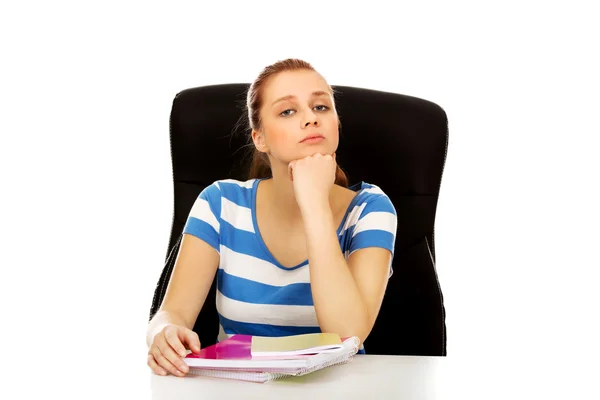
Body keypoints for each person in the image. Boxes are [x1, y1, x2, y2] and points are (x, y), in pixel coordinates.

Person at [146, 58, 398, 377]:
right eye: (288, 111)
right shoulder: (219, 203)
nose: (310, 119)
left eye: (321, 107)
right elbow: (172, 313)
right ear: (259, 138)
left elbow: (348, 335)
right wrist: (162, 333)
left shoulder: (370, 209)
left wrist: (315, 203)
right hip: (238, 388)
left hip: (338, 389)